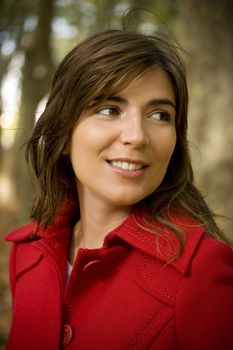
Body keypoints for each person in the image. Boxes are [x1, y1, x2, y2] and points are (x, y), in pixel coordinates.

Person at [5, 26, 233, 350]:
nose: (137, 135)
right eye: (109, 110)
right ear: (63, 134)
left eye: (159, 114)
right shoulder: (28, 253)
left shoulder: (203, 272)